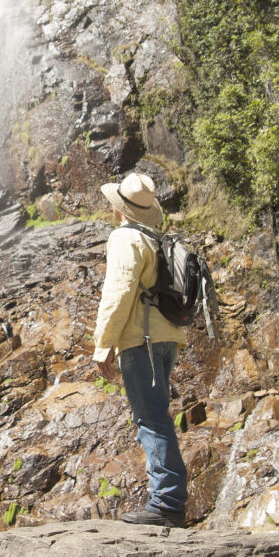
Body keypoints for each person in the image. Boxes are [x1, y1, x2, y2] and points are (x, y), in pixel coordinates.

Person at [92, 172, 188, 528]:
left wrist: (103, 345)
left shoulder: (124, 238)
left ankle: (166, 501)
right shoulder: (153, 237)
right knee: (157, 413)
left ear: (120, 210)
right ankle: (169, 499)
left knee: (151, 417)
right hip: (166, 336)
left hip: (139, 339)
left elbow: (119, 292)